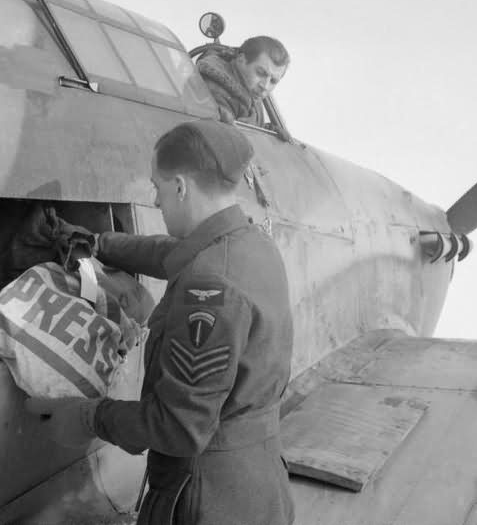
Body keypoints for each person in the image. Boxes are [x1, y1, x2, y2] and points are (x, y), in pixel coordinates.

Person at [25, 120, 295, 525]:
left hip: (207, 502)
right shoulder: (251, 244)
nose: (154, 201)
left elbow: (178, 427)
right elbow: (173, 252)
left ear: (182, 187)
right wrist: (100, 244)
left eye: (158, 187)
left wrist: (87, 416)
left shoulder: (209, 287)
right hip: (257, 485)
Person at [197, 36, 289, 126]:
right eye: (260, 73)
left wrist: (271, 132)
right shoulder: (214, 91)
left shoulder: (252, 96)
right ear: (241, 60)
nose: (265, 86)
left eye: (273, 81)